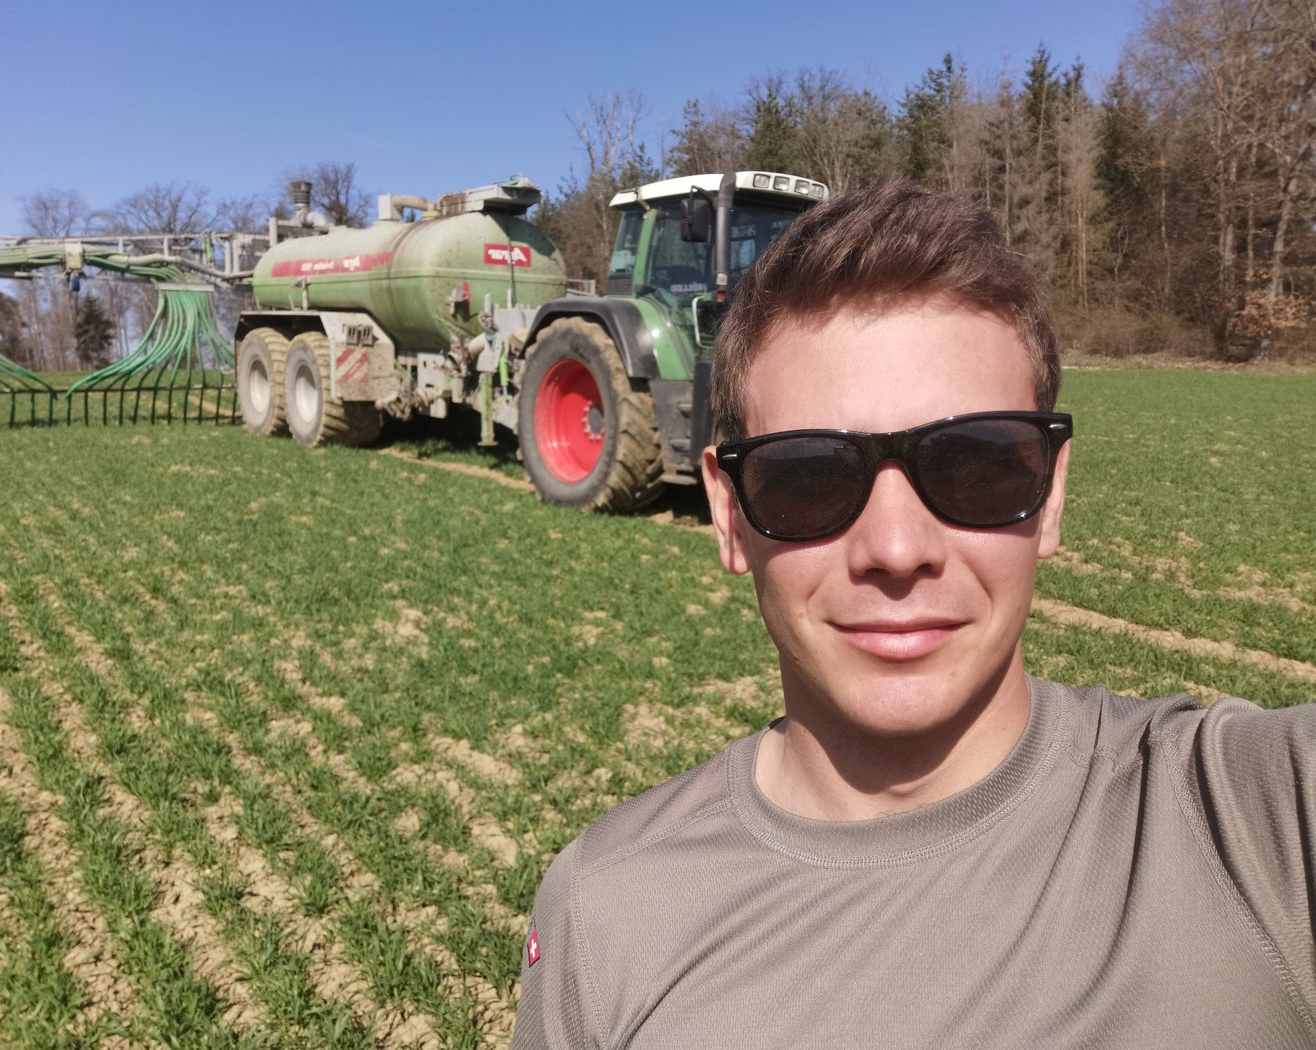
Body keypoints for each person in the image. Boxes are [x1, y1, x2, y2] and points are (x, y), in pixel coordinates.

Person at [511, 182, 1315, 1048]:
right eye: (809, 475)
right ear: (729, 512)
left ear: (1050, 495)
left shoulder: (1252, 820)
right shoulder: (606, 911)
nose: (896, 549)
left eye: (976, 466)